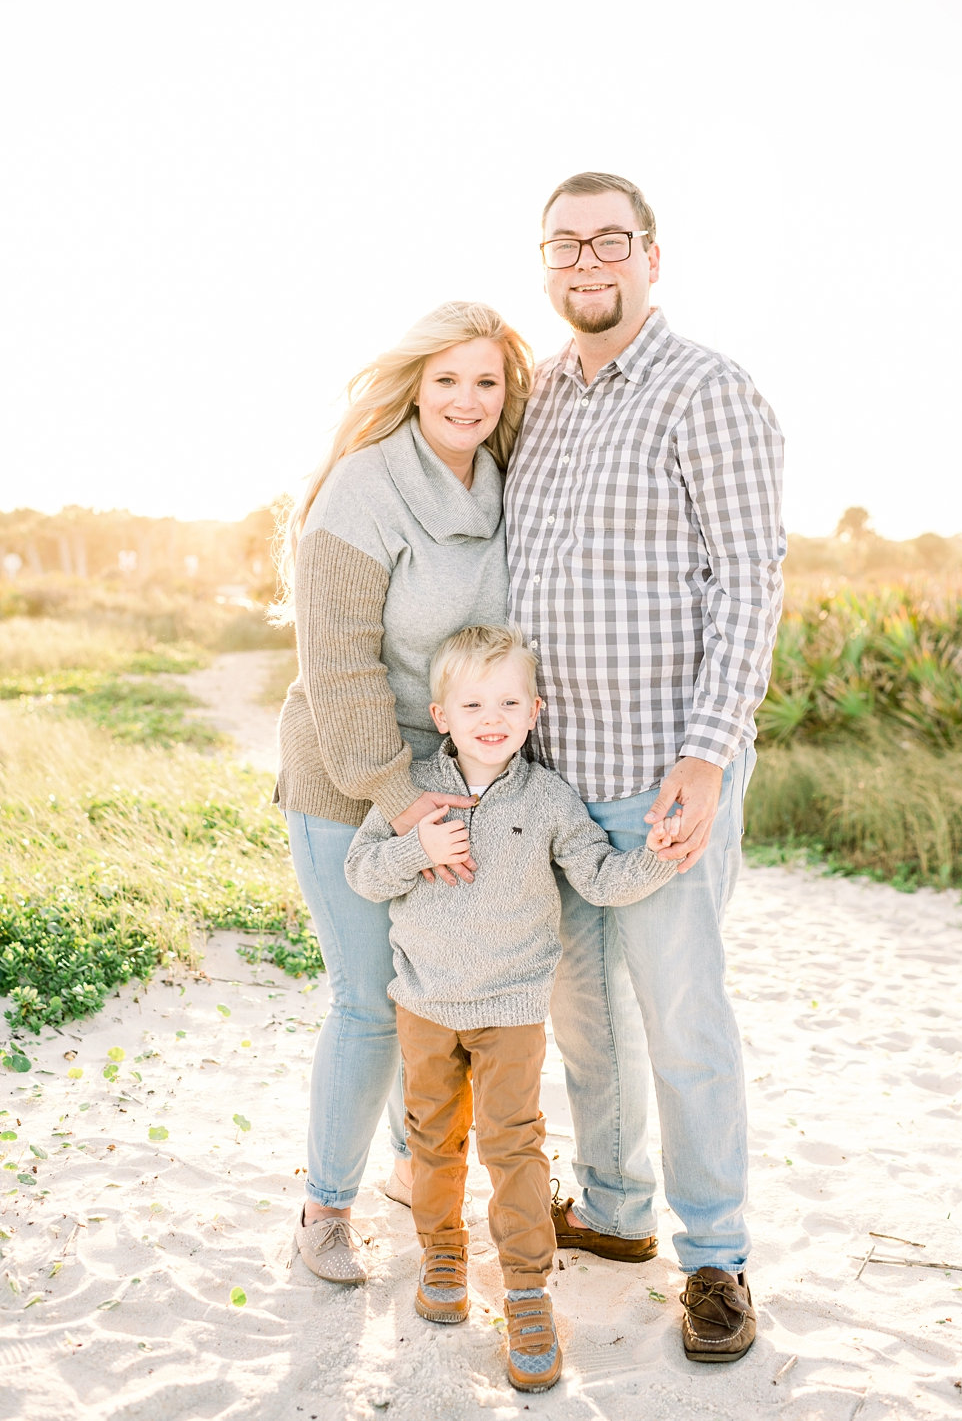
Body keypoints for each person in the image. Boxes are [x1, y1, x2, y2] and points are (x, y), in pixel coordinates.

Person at [504, 171, 785, 1363]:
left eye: (608, 240)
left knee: (681, 1017)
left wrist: (709, 755)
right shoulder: (545, 399)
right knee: (586, 1021)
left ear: (651, 257)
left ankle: (714, 1257)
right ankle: (615, 1212)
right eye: (563, 243)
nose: (585, 261)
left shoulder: (705, 388)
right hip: (554, 782)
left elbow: (751, 580)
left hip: (660, 776)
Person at [343, 624, 680, 1392]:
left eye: (507, 701)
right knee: (434, 1143)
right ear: (441, 716)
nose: (490, 716)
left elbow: (598, 877)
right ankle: (443, 1256)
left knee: (513, 1146)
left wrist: (658, 855)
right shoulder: (416, 795)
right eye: (472, 703)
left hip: (513, 1012)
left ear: (535, 710)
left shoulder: (550, 797)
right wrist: (417, 848)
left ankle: (526, 1292)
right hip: (426, 1004)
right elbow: (363, 872)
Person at [274, 302, 532, 1282]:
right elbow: (337, 668)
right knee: (369, 1002)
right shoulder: (362, 490)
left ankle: (401, 1170)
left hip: (450, 779)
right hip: (345, 781)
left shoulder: (504, 485)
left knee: (423, 992)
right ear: (414, 385)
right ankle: (322, 1213)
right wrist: (395, 789)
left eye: (487, 382)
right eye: (447, 380)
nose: (467, 400)